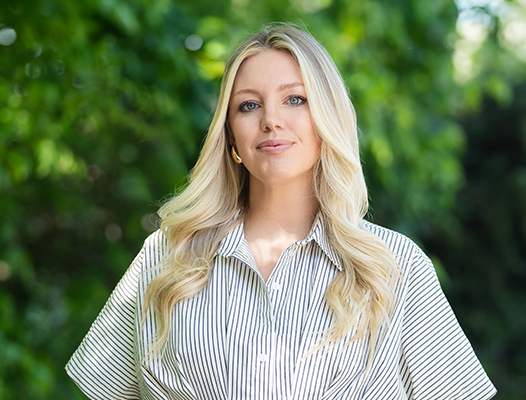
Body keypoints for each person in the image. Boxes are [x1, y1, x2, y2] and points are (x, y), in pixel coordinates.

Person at [66, 23, 497, 400]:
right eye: (249, 105)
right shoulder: (166, 257)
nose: (271, 119)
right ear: (230, 135)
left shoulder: (394, 266)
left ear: (327, 117)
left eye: (295, 99)